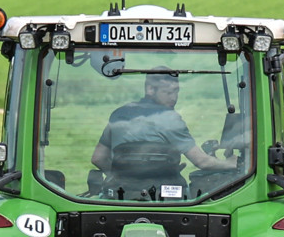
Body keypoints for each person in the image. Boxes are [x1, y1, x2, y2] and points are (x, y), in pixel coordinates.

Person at [92, 70, 231, 189]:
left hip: (120, 193)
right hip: (166, 194)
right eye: (168, 92)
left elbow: (98, 158)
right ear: (150, 89)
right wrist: (231, 163)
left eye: (176, 91)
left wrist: (120, 178)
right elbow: (202, 162)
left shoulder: (118, 114)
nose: (174, 98)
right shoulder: (170, 118)